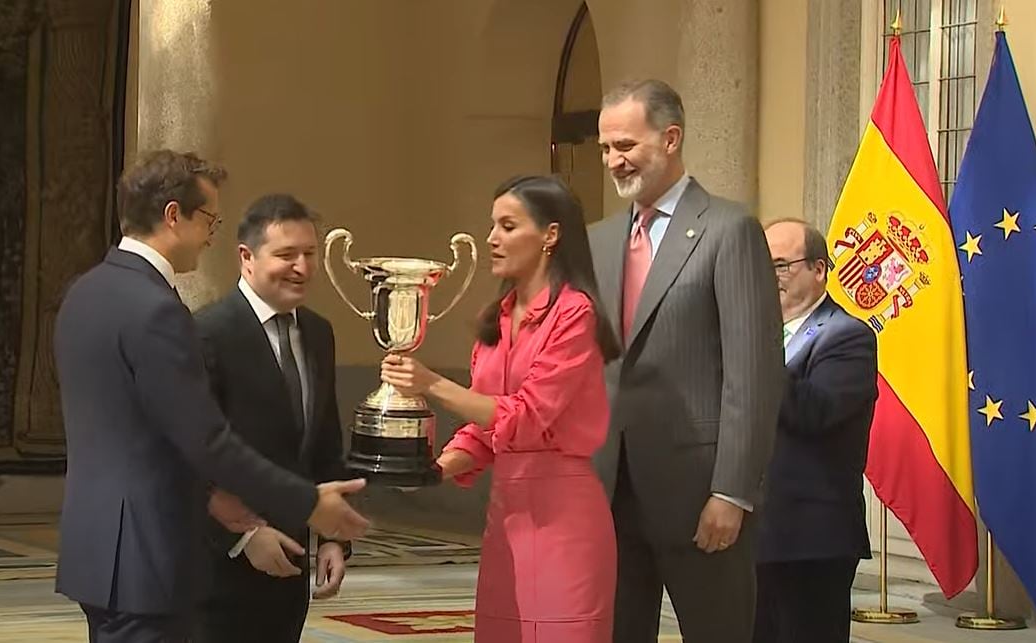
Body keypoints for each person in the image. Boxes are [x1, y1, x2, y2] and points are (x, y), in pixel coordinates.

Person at [53, 150, 369, 643]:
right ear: (173, 216)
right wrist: (308, 502)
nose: (210, 236)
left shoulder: (85, 292)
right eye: (209, 221)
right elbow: (205, 440)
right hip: (151, 554)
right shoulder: (158, 310)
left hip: (97, 550)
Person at [381, 175, 620, 643]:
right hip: (506, 518)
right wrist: (431, 470)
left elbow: (526, 415)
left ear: (551, 235)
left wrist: (431, 383)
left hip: (565, 519)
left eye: (507, 226)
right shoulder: (497, 318)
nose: (492, 238)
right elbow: (483, 430)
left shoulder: (576, 314)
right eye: (492, 225)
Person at [588, 79, 782, 643]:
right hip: (610, 491)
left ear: (671, 139)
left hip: (700, 496)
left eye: (625, 146)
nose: (613, 161)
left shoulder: (730, 230)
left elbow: (753, 375)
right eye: (604, 149)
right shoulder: (599, 241)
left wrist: (732, 491)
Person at [192, 194, 351, 642]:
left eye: (309, 254)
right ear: (246, 257)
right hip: (217, 570)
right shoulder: (206, 332)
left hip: (292, 566)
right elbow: (192, 456)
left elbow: (324, 443)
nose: (301, 267)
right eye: (286, 255)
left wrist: (335, 538)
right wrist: (242, 537)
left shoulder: (319, 333)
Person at [754, 218, 876, 643]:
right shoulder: (756, 335)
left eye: (783, 265)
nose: (772, 277)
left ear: (820, 269)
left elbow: (815, 412)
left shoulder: (847, 336)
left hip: (810, 538)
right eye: (763, 265)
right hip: (749, 532)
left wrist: (754, 349)